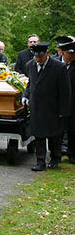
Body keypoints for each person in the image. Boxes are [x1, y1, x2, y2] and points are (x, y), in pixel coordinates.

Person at [23, 42, 71, 171]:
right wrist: (26, 96)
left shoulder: (59, 67)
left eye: (41, 56)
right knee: (38, 135)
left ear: (47, 53)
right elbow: (30, 83)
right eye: (36, 56)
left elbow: (65, 90)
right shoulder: (31, 65)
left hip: (52, 107)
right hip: (37, 106)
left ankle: (55, 158)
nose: (38, 59)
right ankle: (40, 162)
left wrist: (63, 110)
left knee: (54, 135)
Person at [61, 40, 75, 163]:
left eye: (65, 54)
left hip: (73, 103)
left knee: (72, 130)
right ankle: (61, 151)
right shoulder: (63, 66)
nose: (63, 57)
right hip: (64, 103)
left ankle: (72, 153)